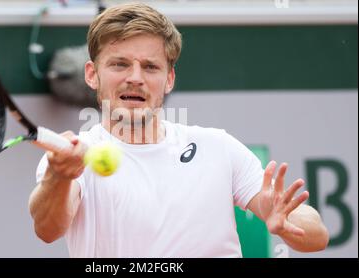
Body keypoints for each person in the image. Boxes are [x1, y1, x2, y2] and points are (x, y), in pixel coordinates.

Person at [29, 3, 329, 257]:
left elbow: (317, 236)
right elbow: (47, 229)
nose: (135, 78)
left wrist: (288, 222)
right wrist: (60, 176)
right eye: (119, 64)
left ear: (169, 79)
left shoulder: (217, 147)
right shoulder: (69, 160)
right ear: (92, 75)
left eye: (150, 67)